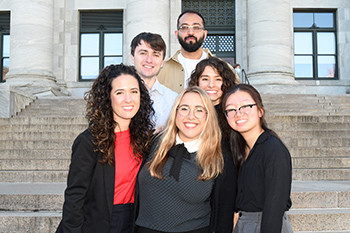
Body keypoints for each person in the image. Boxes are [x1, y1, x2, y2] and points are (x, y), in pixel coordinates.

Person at [56, 64, 155, 233]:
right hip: (96, 224)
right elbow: (75, 196)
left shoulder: (144, 139)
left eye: (134, 91)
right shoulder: (88, 142)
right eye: (119, 92)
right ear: (107, 97)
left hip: (132, 222)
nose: (128, 99)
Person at [134, 86, 236, 233]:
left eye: (199, 110)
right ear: (175, 113)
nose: (191, 116)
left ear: (208, 116)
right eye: (184, 109)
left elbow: (225, 213)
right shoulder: (155, 143)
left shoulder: (220, 157)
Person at [222, 84, 293, 233]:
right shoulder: (239, 149)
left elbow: (274, 207)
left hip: (266, 225)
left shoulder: (273, 149)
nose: (238, 113)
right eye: (231, 109)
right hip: (244, 224)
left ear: (260, 111)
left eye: (246, 106)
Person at [157, 10, 240, 93]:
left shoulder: (227, 69)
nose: (190, 32)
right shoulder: (160, 71)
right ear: (177, 34)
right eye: (184, 27)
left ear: (205, 34)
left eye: (196, 27)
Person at [131, 32, 177, 131]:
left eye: (156, 55)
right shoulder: (117, 96)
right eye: (143, 53)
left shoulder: (174, 100)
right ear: (132, 57)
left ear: (162, 62)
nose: (149, 60)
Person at [188, 56, 239, 139]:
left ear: (226, 82)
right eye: (205, 79)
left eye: (218, 79)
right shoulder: (189, 113)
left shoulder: (234, 113)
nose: (211, 85)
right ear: (197, 82)